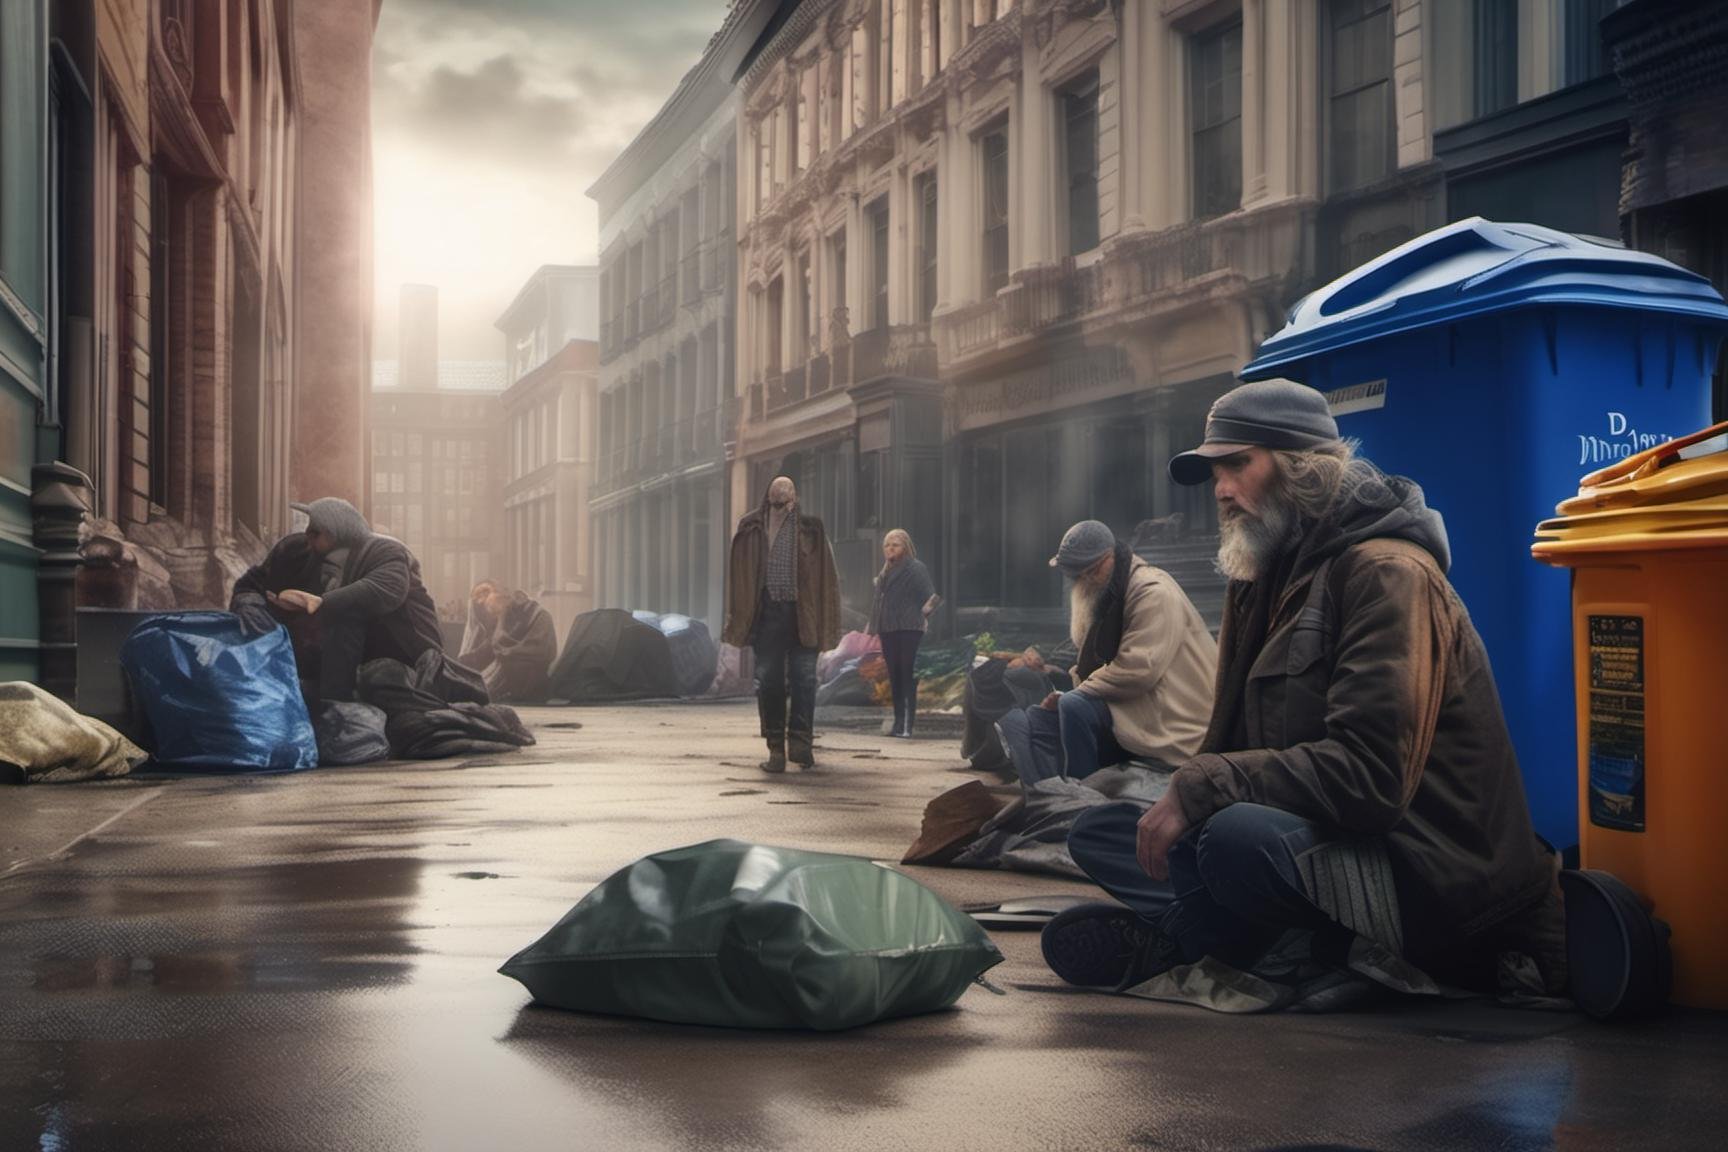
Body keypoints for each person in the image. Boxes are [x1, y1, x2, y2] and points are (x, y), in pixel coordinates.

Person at [1041, 379, 1566, 997]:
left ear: (1302, 470)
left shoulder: (1387, 573)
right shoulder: (1257, 574)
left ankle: (1207, 937)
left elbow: (1371, 778)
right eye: (1215, 473)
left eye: (1238, 464)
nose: (1223, 490)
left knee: (1233, 840)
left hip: (1428, 873)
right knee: (1102, 832)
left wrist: (1204, 787)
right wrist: (1190, 798)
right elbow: (1228, 747)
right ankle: (1237, 934)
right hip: (1318, 836)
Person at [994, 520, 1216, 786]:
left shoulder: (1153, 592)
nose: (1086, 579)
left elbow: (1139, 669)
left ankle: (1084, 796)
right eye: (1078, 574)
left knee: (1074, 707)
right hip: (1138, 702)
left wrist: (1077, 693)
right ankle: (1052, 794)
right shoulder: (1108, 588)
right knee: (1034, 720)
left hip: (1172, 716)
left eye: (1092, 570)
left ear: (1111, 556)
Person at [230, 497, 447, 706]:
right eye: (308, 530)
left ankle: (336, 703)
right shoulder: (294, 551)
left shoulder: (384, 552)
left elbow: (387, 589)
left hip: (393, 655)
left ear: (336, 535)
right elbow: (250, 585)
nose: (308, 536)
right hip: (316, 660)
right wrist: (252, 610)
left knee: (351, 625)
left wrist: (321, 602)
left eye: (316, 532)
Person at [722, 476, 842, 773]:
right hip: (768, 616)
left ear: (795, 499)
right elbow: (740, 579)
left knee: (804, 681)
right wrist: (739, 618)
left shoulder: (811, 530)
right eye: (777, 502)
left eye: (787, 502)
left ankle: (800, 744)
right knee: (770, 684)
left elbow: (826, 579)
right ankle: (776, 748)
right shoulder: (751, 528)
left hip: (803, 616)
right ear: (768, 499)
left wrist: (827, 623)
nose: (782, 507)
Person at [865, 529, 941, 739]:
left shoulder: (915, 568)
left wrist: (924, 617)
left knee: (907, 675)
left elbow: (932, 597)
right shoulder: (884, 572)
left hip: (909, 629)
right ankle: (898, 723)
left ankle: (906, 725)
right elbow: (878, 601)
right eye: (887, 545)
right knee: (895, 676)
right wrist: (872, 626)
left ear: (905, 547)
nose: (890, 548)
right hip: (888, 628)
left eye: (895, 545)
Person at [458, 583, 558, 703]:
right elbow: (490, 647)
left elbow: (504, 645)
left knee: (505, 663)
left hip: (531, 673)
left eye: (494, 613)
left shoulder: (533, 613)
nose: (492, 616)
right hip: (518, 665)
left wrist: (501, 620)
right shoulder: (508, 611)